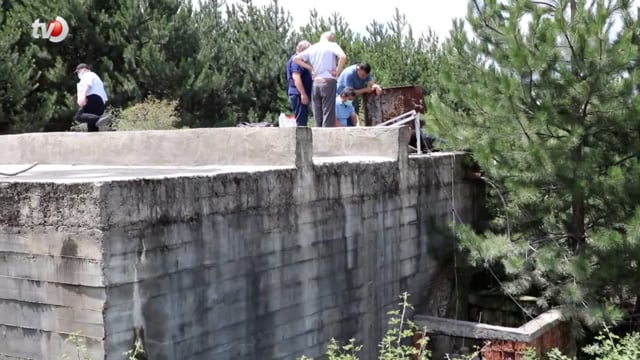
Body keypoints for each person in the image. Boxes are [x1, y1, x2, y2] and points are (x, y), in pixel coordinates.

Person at [294, 31, 347, 127]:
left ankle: (317, 136)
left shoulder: (313, 47)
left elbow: (296, 59)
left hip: (316, 83)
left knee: (317, 114)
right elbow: (343, 57)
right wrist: (337, 71)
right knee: (328, 113)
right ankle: (326, 138)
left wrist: (310, 68)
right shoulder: (332, 45)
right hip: (328, 81)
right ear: (330, 38)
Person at [74, 63, 109, 132]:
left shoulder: (88, 75)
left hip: (91, 99)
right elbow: (104, 98)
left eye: (78, 72)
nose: (78, 74)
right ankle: (96, 140)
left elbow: (87, 85)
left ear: (83, 70)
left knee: (78, 116)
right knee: (92, 127)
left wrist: (83, 97)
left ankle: (99, 119)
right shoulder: (97, 78)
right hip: (100, 103)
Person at [286, 40, 312, 126]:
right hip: (298, 95)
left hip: (299, 94)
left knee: (303, 120)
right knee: (301, 123)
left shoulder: (300, 61)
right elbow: (296, 78)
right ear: (302, 49)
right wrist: (303, 94)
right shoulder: (296, 61)